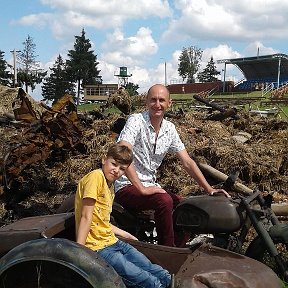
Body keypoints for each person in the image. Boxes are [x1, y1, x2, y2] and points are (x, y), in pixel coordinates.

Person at [115, 84, 230, 247]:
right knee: (164, 201)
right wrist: (141, 188)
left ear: (169, 103)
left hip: (150, 185)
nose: (157, 104)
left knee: (188, 207)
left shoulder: (169, 129)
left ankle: (180, 247)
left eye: (162, 100)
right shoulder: (136, 121)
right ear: (146, 102)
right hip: (127, 186)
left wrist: (209, 189)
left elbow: (187, 162)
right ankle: (167, 251)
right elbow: (123, 150)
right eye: (153, 100)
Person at [75, 143, 172, 288]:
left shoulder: (110, 185)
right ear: (104, 159)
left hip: (112, 241)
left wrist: (126, 234)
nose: (116, 171)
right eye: (114, 164)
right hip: (97, 248)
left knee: (156, 271)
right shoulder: (95, 177)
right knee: (147, 280)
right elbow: (86, 217)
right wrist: (78, 253)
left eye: (122, 169)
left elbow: (101, 221)